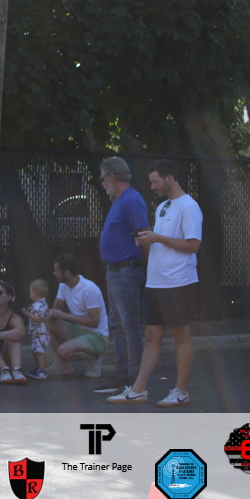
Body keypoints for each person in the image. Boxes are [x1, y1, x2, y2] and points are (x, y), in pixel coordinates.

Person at [108, 159, 202, 407]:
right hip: (156, 281)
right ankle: (138, 390)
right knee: (152, 334)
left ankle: (180, 391)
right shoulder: (163, 207)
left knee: (181, 335)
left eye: (155, 181)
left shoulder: (189, 207)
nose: (152, 187)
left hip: (178, 281)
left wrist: (158, 238)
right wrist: (147, 240)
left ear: (169, 178)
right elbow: (161, 241)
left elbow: (193, 245)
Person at [94, 156, 150, 395]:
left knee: (128, 325)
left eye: (103, 178)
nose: (102, 183)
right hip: (116, 270)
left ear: (112, 176)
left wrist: (148, 270)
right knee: (118, 325)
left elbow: (144, 234)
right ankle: (123, 373)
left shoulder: (131, 200)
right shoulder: (122, 200)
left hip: (126, 270)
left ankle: (134, 378)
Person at [45, 253, 110, 378]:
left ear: (66, 273)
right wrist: (48, 313)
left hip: (98, 337)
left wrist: (66, 316)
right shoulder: (63, 286)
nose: (54, 273)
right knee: (47, 323)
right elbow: (55, 310)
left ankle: (94, 357)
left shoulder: (89, 289)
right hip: (79, 331)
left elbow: (94, 322)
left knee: (62, 351)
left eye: (57, 271)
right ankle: (63, 364)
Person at [22, 279, 50, 379]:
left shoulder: (40, 305)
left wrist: (27, 314)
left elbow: (39, 318)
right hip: (36, 333)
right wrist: (31, 310)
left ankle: (42, 370)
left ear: (35, 293)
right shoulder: (37, 304)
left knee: (40, 351)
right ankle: (37, 368)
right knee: (35, 351)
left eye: (31, 291)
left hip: (41, 333)